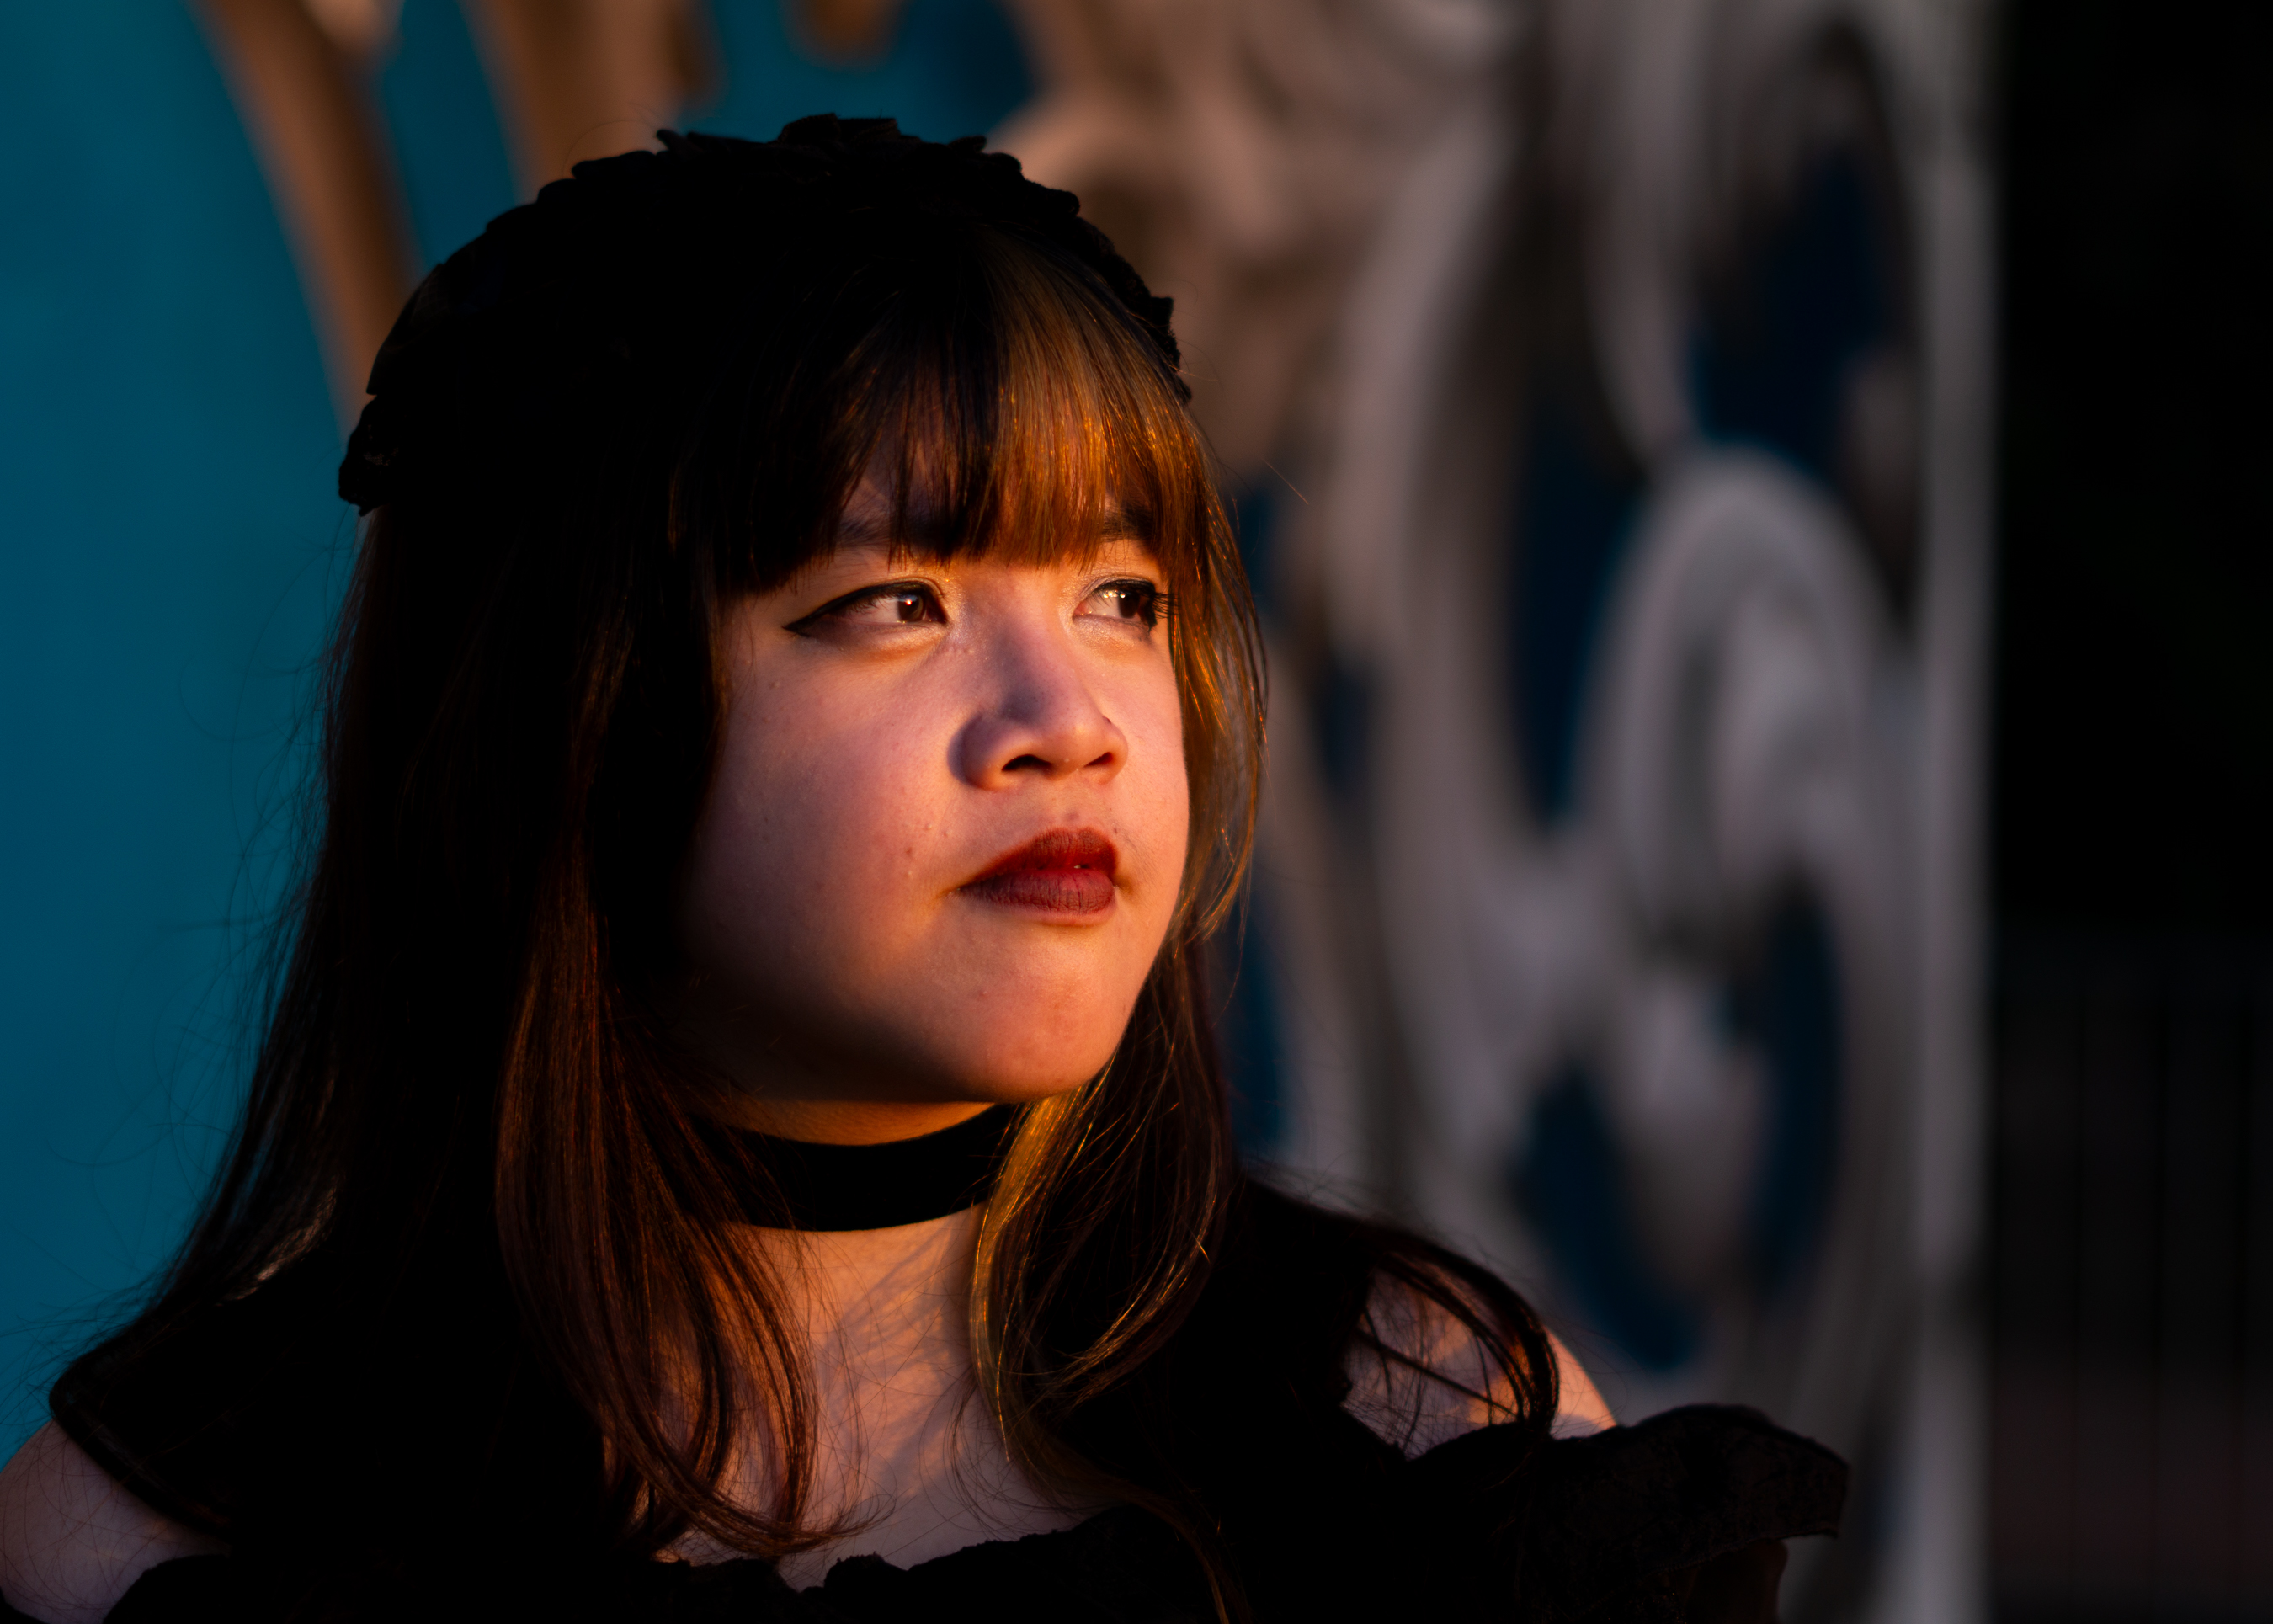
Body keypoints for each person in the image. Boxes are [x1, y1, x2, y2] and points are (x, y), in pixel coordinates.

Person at [0, 119, 1842, 1623]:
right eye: (896, 603)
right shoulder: (164, 1543)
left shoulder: (1420, 1443)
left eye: (1124, 596)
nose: (1071, 716)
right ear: (569, 719)